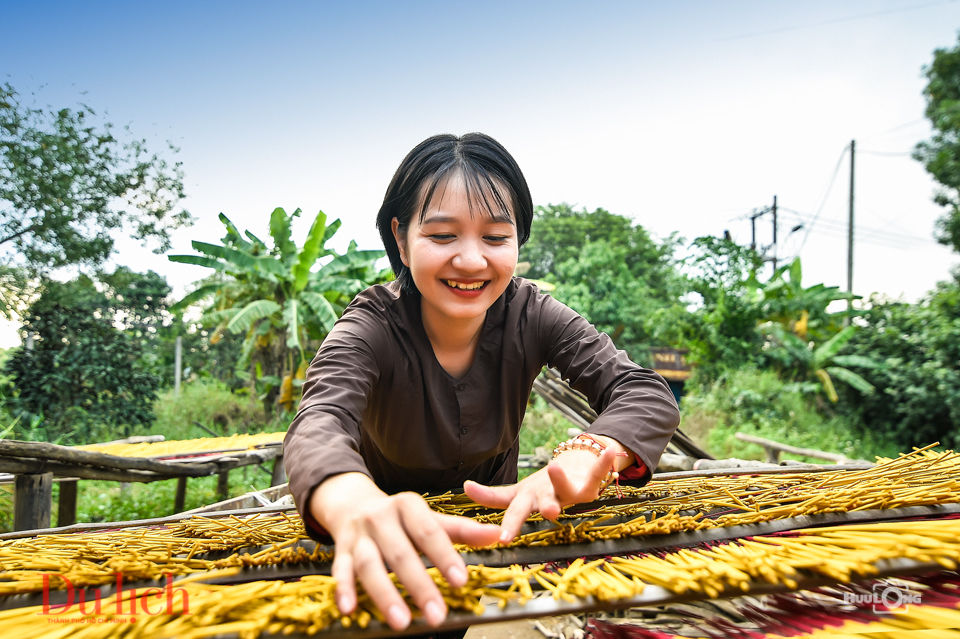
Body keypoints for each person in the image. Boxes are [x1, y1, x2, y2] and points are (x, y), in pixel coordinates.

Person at [285, 133, 680, 632]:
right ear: (401, 239)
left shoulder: (534, 314)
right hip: (374, 544)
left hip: (478, 548)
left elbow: (641, 390)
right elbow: (319, 420)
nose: (472, 261)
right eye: (443, 235)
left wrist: (592, 450)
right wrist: (351, 500)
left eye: (495, 238)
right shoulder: (370, 326)